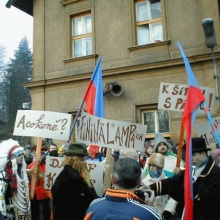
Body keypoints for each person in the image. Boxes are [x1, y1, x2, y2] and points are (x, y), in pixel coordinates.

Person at [143, 137, 220, 220]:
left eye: (193, 155)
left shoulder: (216, 173)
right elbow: (173, 182)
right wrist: (150, 188)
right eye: (188, 155)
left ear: (203, 154)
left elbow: (208, 199)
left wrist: (192, 182)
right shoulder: (192, 170)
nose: (190, 158)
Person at [84, 157, 162, 220]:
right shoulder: (148, 214)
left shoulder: (94, 206)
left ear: (112, 179)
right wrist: (148, 208)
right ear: (139, 181)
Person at [51, 143, 97, 220]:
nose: (85, 162)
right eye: (83, 159)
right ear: (77, 160)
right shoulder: (71, 179)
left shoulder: (71, 175)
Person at [142, 153, 178, 219]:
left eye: (154, 165)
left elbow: (174, 198)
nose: (152, 167)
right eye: (150, 165)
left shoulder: (168, 181)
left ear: (160, 167)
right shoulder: (144, 182)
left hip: (164, 215)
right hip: (150, 215)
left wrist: (168, 210)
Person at [5, 140, 31, 220]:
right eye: (19, 155)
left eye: (22, 154)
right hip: (15, 205)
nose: (22, 156)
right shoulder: (8, 173)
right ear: (13, 157)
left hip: (26, 204)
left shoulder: (23, 171)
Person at [28, 147, 51, 220]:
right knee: (35, 211)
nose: (39, 156)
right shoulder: (30, 166)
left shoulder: (46, 165)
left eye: (41, 154)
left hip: (45, 192)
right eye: (37, 155)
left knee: (46, 211)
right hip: (34, 192)